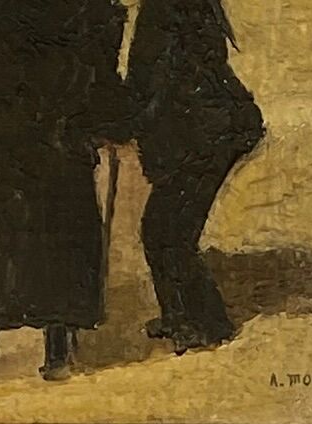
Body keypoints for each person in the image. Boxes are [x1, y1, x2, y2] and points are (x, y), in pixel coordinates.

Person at [0, 0, 132, 380]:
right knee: (52, 239)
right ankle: (54, 352)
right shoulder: (89, 8)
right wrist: (107, 121)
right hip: (47, 140)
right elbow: (100, 74)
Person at [124, 0, 265, 353]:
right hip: (211, 128)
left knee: (170, 233)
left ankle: (209, 324)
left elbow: (151, 77)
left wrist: (121, 118)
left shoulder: (162, 10)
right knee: (164, 231)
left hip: (201, 134)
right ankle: (178, 316)